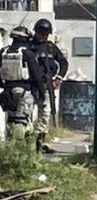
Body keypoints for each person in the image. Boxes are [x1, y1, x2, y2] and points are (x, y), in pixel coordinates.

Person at [0, 27, 43, 143]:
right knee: (21, 121)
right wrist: (41, 93)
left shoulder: (3, 52)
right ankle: (19, 149)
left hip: (7, 92)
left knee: (10, 121)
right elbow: (37, 75)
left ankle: (9, 149)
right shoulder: (26, 53)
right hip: (24, 91)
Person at [30, 19, 67, 153]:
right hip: (32, 85)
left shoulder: (51, 47)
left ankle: (40, 144)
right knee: (28, 115)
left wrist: (59, 78)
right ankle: (29, 145)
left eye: (46, 33)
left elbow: (63, 63)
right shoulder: (29, 46)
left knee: (44, 116)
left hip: (46, 86)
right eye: (41, 33)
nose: (43, 36)